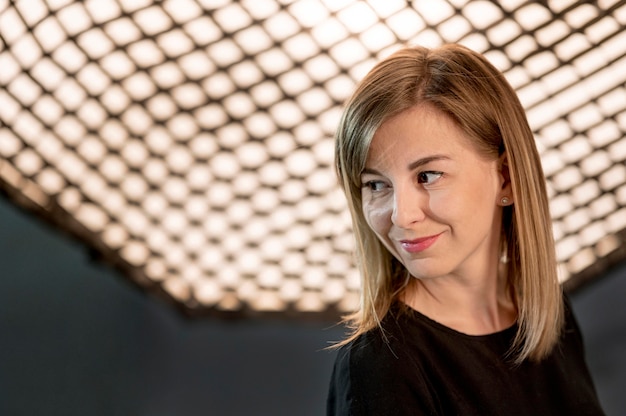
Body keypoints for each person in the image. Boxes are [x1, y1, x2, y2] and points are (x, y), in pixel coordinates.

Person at [326, 44, 604, 415]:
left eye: (428, 176)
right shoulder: (380, 366)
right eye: (376, 185)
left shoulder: (550, 315)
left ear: (506, 179)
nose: (401, 216)